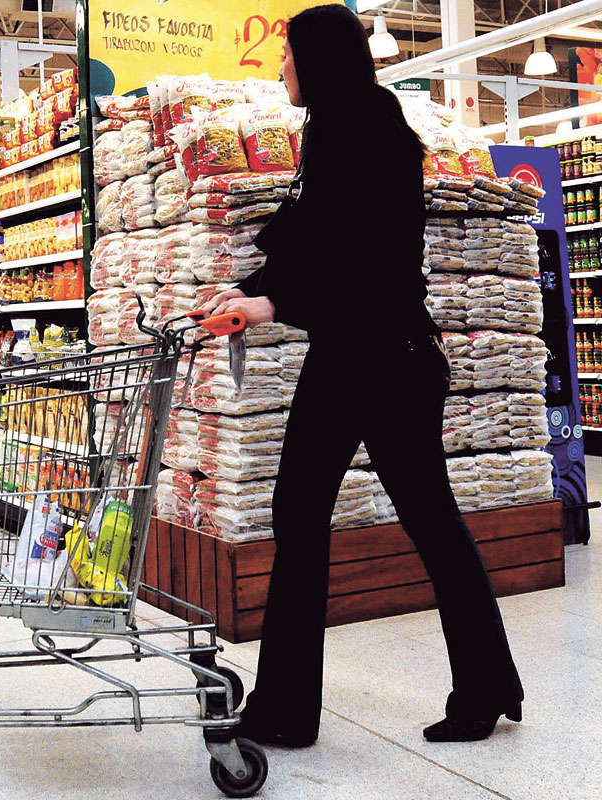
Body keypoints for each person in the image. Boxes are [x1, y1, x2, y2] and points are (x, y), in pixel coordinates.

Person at [201, 4, 523, 746]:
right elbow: (312, 236)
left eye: (287, 55)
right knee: (354, 518)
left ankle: (300, 710)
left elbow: (363, 257)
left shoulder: (367, 131)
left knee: (375, 518)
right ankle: (473, 688)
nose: (279, 68)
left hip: (383, 358)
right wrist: (243, 290)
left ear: (319, 58)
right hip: (361, 354)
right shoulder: (340, 125)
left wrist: (271, 301)